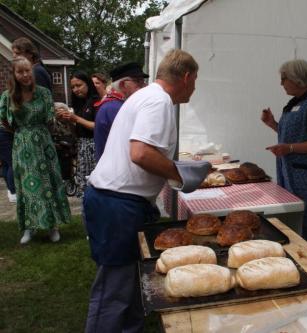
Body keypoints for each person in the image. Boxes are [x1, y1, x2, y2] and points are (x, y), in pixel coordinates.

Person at [83, 49, 210, 332]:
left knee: (131, 284)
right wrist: (180, 175)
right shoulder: (158, 101)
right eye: (196, 80)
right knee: (114, 289)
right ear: (186, 77)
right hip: (117, 204)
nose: (195, 87)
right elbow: (140, 153)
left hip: (117, 201)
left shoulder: (146, 96)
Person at [261, 59, 307, 254]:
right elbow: (293, 135)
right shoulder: (294, 102)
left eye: (284, 78)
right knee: (293, 221)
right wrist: (273, 124)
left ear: (297, 79)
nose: (281, 83)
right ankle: (298, 257)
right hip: (290, 174)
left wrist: (289, 148)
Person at [0, 56, 71, 244]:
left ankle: (52, 226)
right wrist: (22, 133)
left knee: (48, 183)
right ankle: (29, 227)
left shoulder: (44, 93)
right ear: (14, 75)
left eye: (27, 70)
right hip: (22, 143)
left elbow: (50, 120)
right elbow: (5, 121)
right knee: (27, 186)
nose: (25, 75)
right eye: (20, 72)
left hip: (43, 143)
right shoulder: (8, 96)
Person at [93, 62, 148, 162]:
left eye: (143, 81)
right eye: (138, 81)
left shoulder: (113, 104)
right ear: (123, 84)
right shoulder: (116, 108)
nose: (144, 86)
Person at [57, 71, 100, 197]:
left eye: (79, 85)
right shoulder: (79, 103)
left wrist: (75, 118)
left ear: (87, 84)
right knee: (83, 183)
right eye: (73, 87)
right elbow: (78, 129)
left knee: (92, 181)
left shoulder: (96, 101)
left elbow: (97, 126)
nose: (75, 89)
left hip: (93, 146)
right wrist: (66, 120)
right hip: (82, 146)